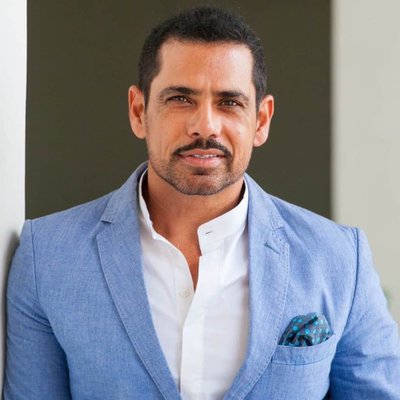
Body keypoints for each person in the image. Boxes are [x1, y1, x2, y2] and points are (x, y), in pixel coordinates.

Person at [4, 6, 400, 400]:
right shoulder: (48, 257)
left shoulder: (339, 259)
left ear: (261, 120)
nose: (205, 126)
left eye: (230, 102)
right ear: (139, 112)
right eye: (180, 98)